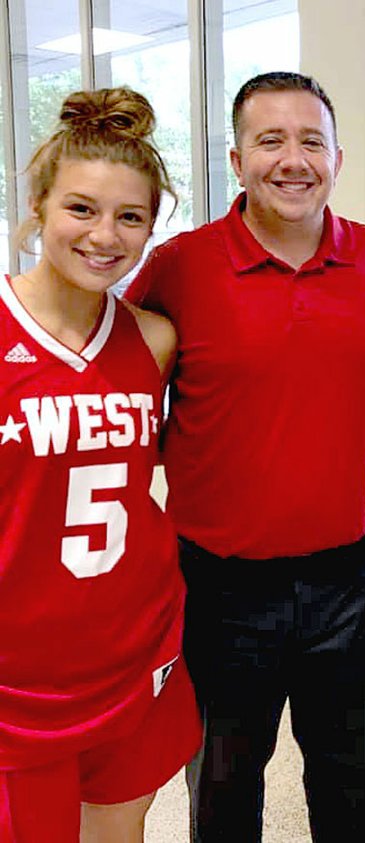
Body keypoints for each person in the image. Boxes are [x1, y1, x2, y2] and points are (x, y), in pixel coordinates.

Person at [124, 71, 365, 842]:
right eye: (271, 140)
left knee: (354, 782)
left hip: (353, 575)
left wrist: (334, 442)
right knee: (222, 783)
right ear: (237, 156)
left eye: (311, 140)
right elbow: (120, 386)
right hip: (219, 583)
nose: (293, 159)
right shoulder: (180, 267)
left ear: (338, 158)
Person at [0, 87, 201, 842]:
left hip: (134, 651)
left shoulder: (153, 340)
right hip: (19, 675)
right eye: (80, 209)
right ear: (39, 208)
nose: (103, 236)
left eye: (130, 217)